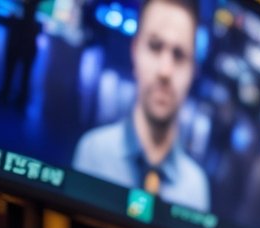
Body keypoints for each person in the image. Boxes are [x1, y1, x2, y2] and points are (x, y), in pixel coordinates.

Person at [71, 0, 210, 211]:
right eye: (155, 47)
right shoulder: (93, 152)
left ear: (193, 70)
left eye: (179, 55)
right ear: (135, 51)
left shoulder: (196, 189)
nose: (165, 71)